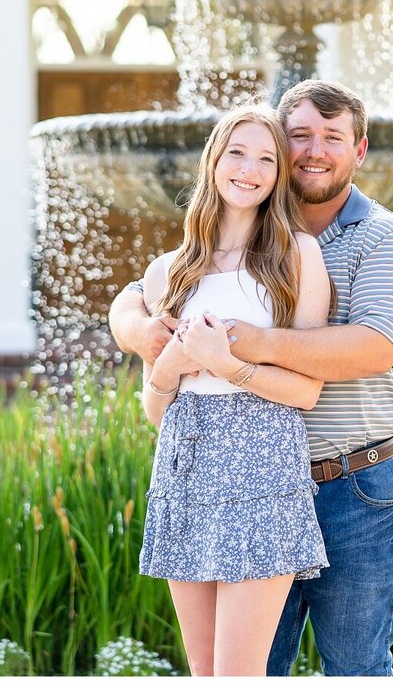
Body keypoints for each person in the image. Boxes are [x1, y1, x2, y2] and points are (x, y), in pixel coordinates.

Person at [112, 79, 393, 676]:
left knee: (356, 667)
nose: (313, 150)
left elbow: (377, 347)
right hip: (214, 479)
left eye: (333, 138)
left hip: (348, 483)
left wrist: (239, 346)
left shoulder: (379, 239)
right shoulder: (213, 250)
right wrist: (141, 333)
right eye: (300, 135)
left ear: (359, 150)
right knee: (243, 670)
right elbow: (142, 298)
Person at [133, 103, 332, 676]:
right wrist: (171, 365)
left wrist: (225, 363)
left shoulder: (296, 257)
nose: (250, 168)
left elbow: (306, 392)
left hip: (262, 466)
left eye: (267, 158)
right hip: (184, 469)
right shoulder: (167, 272)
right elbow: (154, 408)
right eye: (237, 153)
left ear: (277, 176)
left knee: (239, 675)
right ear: (213, 161)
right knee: (205, 674)